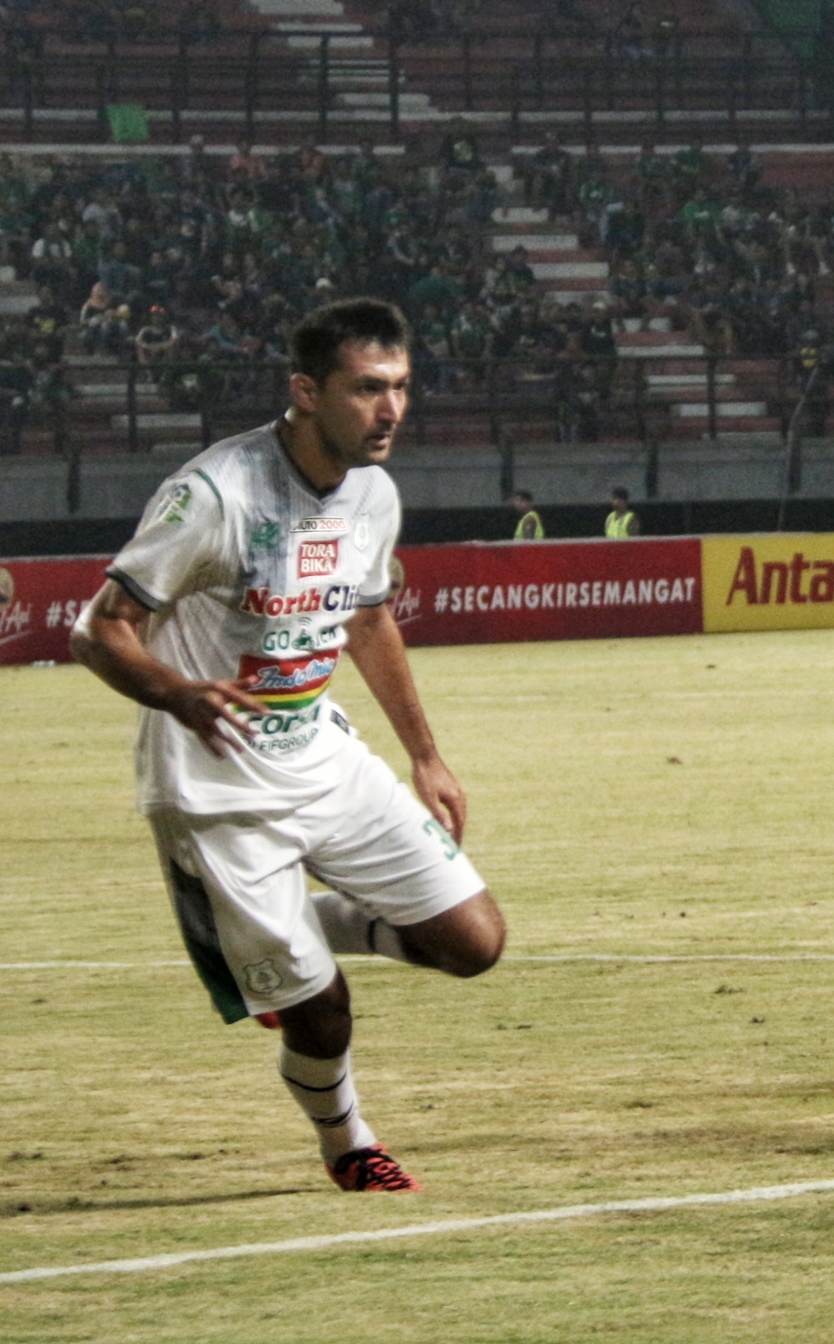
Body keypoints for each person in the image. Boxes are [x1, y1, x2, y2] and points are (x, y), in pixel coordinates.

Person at [69, 299, 507, 1192]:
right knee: (320, 1012)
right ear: (306, 392)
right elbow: (98, 630)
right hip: (214, 787)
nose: (389, 410)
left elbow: (370, 616)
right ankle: (347, 1140)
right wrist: (181, 693)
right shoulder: (216, 495)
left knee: (474, 941)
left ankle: (280, 938)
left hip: (322, 756)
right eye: (367, 389)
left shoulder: (373, 495)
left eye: (401, 388)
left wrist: (426, 754)